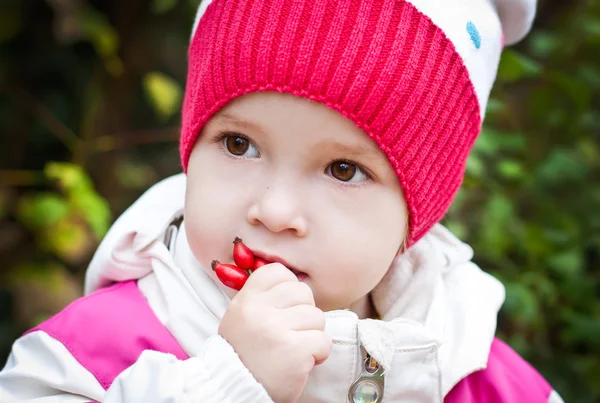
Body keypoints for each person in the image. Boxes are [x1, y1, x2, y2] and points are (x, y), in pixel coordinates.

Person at [0, 0, 564, 402]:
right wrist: (226, 386)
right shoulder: (87, 358)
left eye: (344, 170)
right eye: (239, 144)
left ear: (421, 215)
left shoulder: (471, 375)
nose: (273, 211)